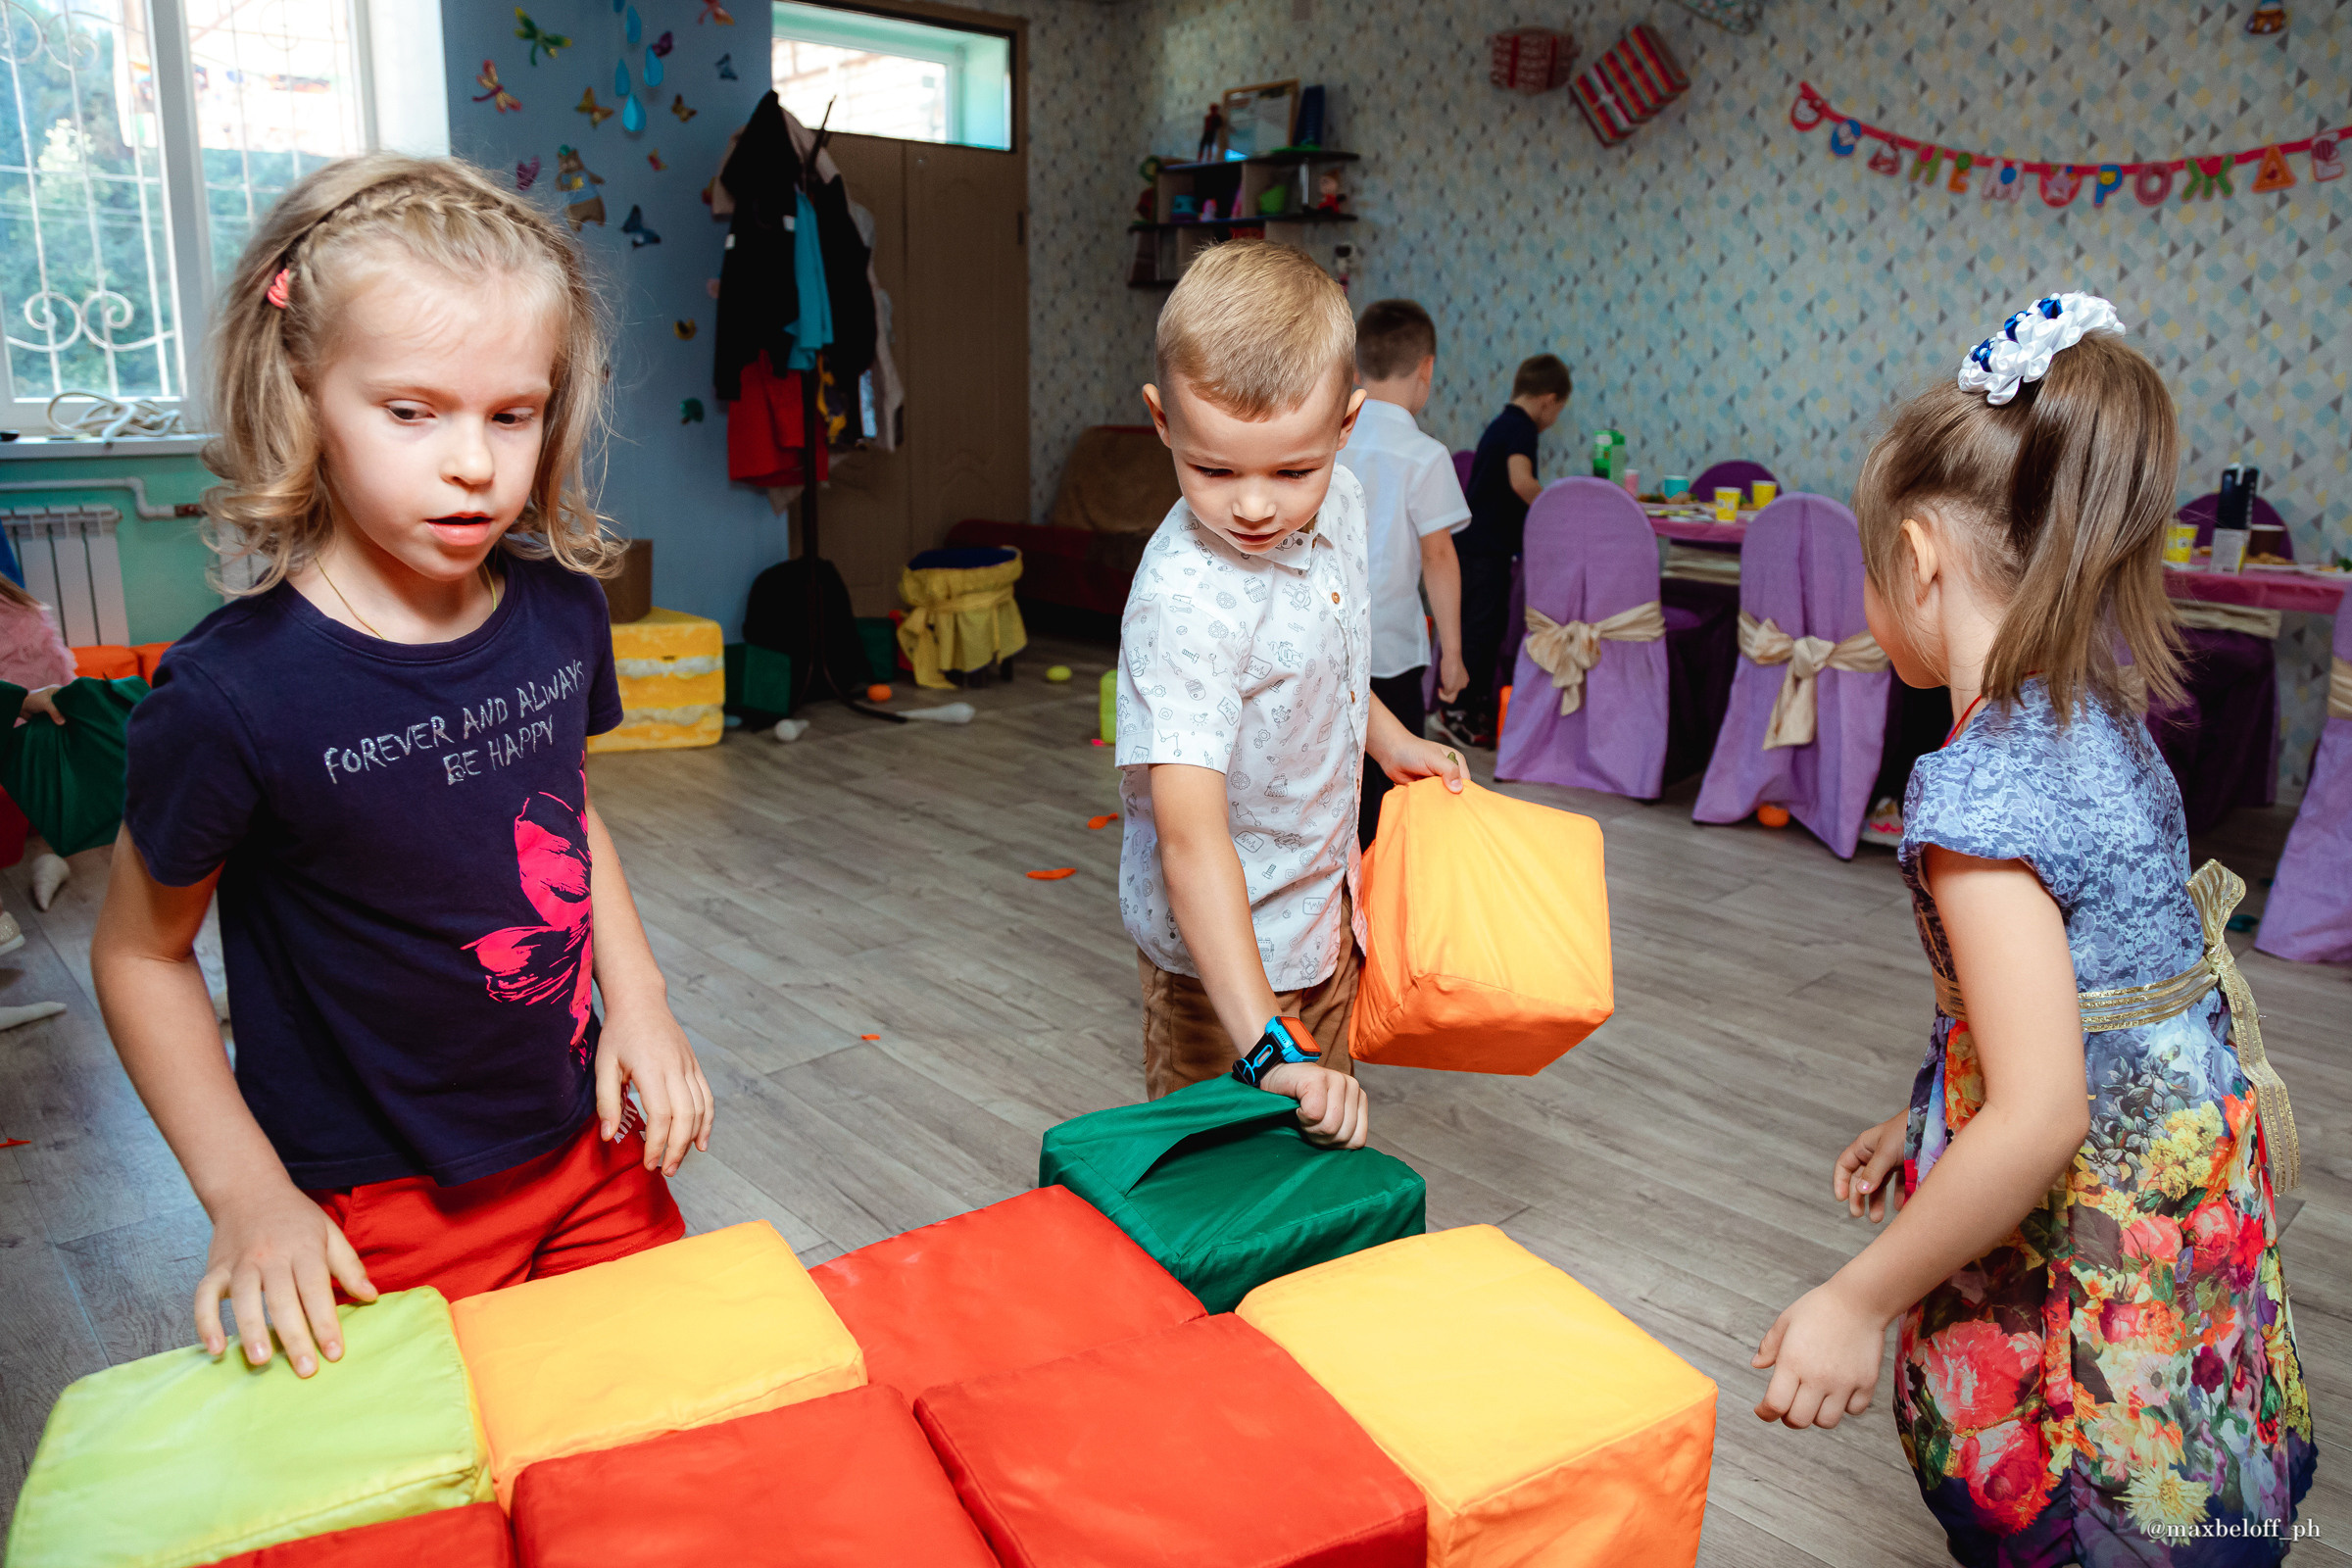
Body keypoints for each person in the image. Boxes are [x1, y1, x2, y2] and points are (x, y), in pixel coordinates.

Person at [93, 154, 714, 1380]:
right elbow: (138, 951)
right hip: (376, 1210)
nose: (474, 462)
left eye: (511, 413)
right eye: (413, 411)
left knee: (667, 1441)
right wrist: (249, 1196)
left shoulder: (559, 613)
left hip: (591, 1150)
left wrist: (639, 999)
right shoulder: (230, 697)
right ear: (302, 390)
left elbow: (565, 813)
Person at [1751, 294, 2313, 1562]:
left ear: (1919, 555)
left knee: (2088, 1508)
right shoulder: (2096, 714)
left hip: (2094, 1261)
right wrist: (1940, 1105)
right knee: (2192, 1473)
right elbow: (2106, 988)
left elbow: (2048, 1111)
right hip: (2188, 1210)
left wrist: (1859, 1294)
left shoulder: (1974, 799)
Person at [1116, 241, 1466, 1146]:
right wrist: (1264, 1040)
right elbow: (1190, 843)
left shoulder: (1343, 501)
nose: (1257, 507)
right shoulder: (1183, 603)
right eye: (1217, 471)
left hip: (1326, 920)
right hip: (1218, 971)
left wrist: (1387, 739)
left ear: (1346, 426)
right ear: (1163, 422)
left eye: (1291, 472)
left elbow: (1327, 657)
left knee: (1315, 1158)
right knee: (1216, 1191)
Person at [1337, 298, 1470, 848]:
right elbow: (1439, 556)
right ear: (1427, 369)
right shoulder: (1425, 454)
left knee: (1337, 789)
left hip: (1328, 648)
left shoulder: (1328, 442)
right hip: (1391, 652)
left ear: (1356, 368)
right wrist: (1455, 654)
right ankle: (1380, 914)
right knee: (1390, 800)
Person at [1439, 353, 1569, 749]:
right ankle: (1457, 710)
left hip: (1472, 545)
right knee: (1483, 629)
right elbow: (1521, 481)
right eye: (1559, 410)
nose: (1555, 418)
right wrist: (1557, 507)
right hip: (1486, 549)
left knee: (1479, 627)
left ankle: (1462, 705)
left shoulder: (1501, 423)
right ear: (1549, 399)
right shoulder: (1522, 429)